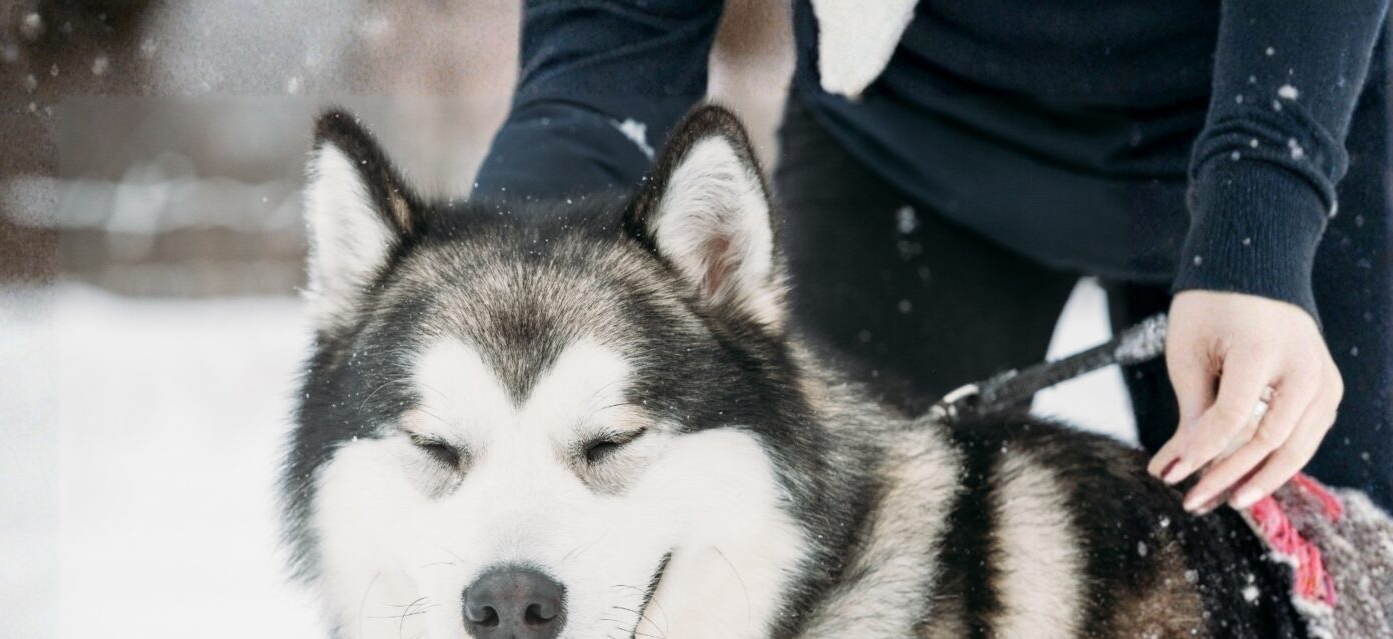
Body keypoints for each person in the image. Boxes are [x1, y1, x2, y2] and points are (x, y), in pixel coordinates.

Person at [471, 0, 1393, 515]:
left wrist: (1260, 223)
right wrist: (521, 236)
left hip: (1308, 129)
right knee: (839, 582)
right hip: (912, 148)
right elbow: (613, 35)